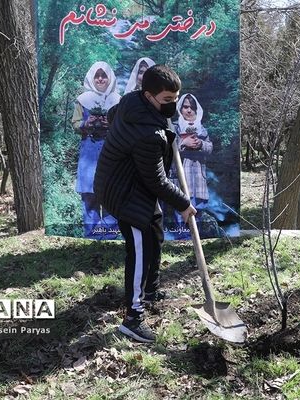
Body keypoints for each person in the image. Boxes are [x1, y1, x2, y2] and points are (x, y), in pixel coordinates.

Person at [94, 65, 197, 343]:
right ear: (149, 95)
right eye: (167, 101)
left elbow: (115, 114)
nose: (173, 105)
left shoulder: (133, 103)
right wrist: (184, 204)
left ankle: (149, 292)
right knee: (139, 249)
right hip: (125, 192)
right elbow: (157, 181)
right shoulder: (147, 135)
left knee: (155, 233)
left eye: (176, 98)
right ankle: (133, 319)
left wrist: (166, 130)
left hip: (134, 183)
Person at [72, 61, 121, 239]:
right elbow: (75, 124)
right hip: (89, 152)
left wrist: (113, 124)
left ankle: (109, 237)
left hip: (112, 152)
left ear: (110, 78)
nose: (100, 79)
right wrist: (87, 123)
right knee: (89, 196)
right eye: (97, 75)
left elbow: (125, 126)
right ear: (92, 78)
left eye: (104, 75)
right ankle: (92, 237)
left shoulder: (118, 100)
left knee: (111, 194)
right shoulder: (82, 100)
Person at [171, 93, 213, 235]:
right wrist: (183, 143)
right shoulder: (174, 127)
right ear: (180, 109)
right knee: (181, 208)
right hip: (181, 178)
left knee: (198, 209)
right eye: (186, 107)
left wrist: (200, 144)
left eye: (192, 108)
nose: (189, 111)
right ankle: (182, 238)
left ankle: (196, 237)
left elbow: (210, 148)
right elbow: (167, 150)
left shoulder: (202, 129)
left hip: (199, 179)